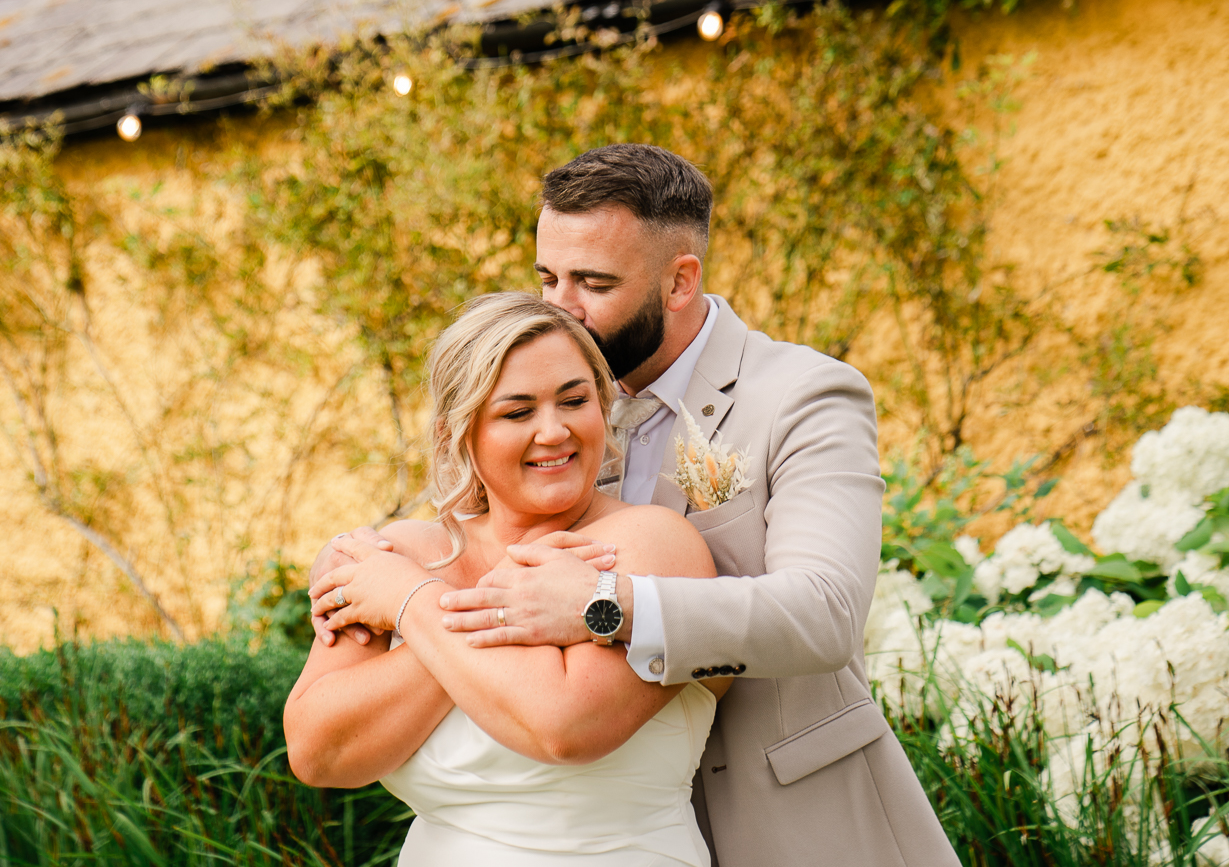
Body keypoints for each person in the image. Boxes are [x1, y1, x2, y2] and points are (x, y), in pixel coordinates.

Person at [311, 145, 960, 867]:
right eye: (548, 277)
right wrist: (382, 567)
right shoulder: (563, 395)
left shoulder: (800, 396)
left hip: (781, 810)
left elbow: (825, 613)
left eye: (591, 281)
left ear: (680, 281)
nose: (560, 307)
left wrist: (605, 604)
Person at [285, 291, 730, 865]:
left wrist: (415, 605)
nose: (554, 431)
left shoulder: (653, 544)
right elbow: (319, 753)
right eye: (517, 412)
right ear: (457, 434)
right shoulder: (401, 551)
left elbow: (565, 727)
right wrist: (465, 599)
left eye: (574, 400)